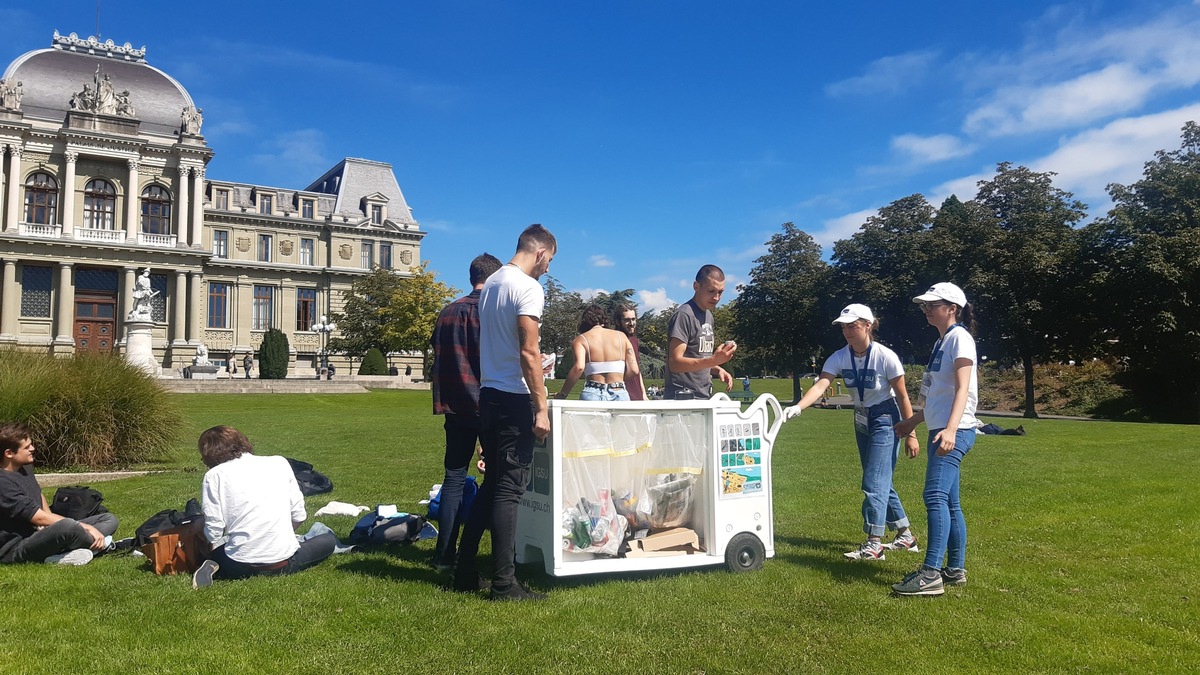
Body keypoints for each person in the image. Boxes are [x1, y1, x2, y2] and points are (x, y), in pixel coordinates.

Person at [454, 224, 556, 602]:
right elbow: (529, 351)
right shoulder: (529, 287)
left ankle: (466, 570)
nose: (547, 269)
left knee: (493, 485)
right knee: (509, 489)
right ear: (541, 252)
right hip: (512, 397)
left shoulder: (493, 282)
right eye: (550, 261)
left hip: (489, 393)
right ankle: (503, 583)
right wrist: (541, 406)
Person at [783, 304, 921, 561]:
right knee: (880, 478)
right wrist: (798, 408)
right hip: (861, 417)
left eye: (853, 326)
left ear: (868, 325)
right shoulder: (839, 356)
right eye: (844, 327)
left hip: (886, 417)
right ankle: (905, 535)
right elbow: (822, 384)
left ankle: (874, 543)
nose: (847, 331)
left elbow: (903, 396)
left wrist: (911, 432)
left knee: (873, 481)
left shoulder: (885, 356)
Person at [891, 283, 980, 597]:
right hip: (940, 428)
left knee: (934, 496)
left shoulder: (960, 339)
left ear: (951, 308)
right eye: (924, 306)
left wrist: (952, 430)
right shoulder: (942, 342)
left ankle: (930, 575)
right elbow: (937, 398)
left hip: (952, 432)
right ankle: (954, 569)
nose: (926, 309)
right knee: (950, 503)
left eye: (932, 304)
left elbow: (962, 389)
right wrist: (912, 422)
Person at [191, 425, 336, 588]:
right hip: (283, 562)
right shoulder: (279, 463)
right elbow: (299, 516)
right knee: (328, 540)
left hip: (238, 565)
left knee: (220, 552)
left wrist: (207, 540)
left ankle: (213, 564)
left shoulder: (213, 476)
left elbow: (214, 532)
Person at [429, 252, 502, 572]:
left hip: (454, 405)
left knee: (454, 479)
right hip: (487, 403)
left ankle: (443, 555)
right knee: (498, 479)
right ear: (495, 278)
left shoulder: (446, 312)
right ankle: (483, 552)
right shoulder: (492, 312)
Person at [0, 423, 118, 565]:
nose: (32, 449)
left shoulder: (24, 467)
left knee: (108, 519)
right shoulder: (3, 483)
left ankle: (67, 551)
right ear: (9, 453)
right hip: (17, 547)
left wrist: (51, 525)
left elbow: (38, 494)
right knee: (69, 526)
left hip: (40, 533)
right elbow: (39, 518)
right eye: (26, 447)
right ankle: (105, 546)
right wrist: (87, 527)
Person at [664, 265, 737, 399]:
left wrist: (717, 368)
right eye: (711, 291)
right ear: (696, 286)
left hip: (704, 396)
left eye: (720, 292)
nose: (716, 297)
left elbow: (698, 357)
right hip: (682, 399)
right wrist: (713, 361)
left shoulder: (709, 316)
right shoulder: (684, 315)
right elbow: (675, 363)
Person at [555, 304, 642, 401]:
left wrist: (563, 394)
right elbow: (634, 370)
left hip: (592, 391)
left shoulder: (580, 340)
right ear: (604, 320)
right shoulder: (622, 336)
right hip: (619, 390)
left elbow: (579, 367)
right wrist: (618, 378)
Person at [614, 305, 647, 401]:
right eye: (627, 320)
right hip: (622, 396)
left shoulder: (634, 341)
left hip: (638, 396)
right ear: (617, 322)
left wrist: (643, 394)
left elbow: (637, 370)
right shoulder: (614, 340)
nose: (632, 323)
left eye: (633, 319)